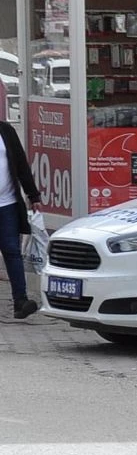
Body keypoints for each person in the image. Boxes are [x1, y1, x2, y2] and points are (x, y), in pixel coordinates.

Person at [1, 117, 42, 319]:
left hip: (7, 204)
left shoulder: (6, 131)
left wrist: (33, 195)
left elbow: (21, 163)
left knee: (12, 251)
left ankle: (21, 301)